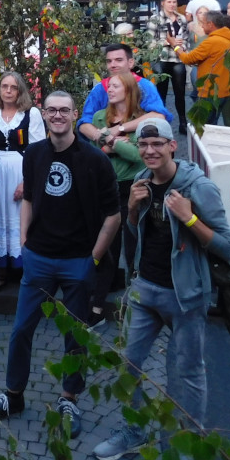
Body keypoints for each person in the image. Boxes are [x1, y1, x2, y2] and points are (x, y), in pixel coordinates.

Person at [91, 118, 230, 460]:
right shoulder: (141, 181)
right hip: (144, 288)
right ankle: (134, 430)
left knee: (187, 374)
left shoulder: (197, 188)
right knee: (127, 363)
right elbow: (135, 233)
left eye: (157, 144)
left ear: (173, 146)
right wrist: (131, 208)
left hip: (185, 294)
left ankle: (189, 445)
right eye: (143, 145)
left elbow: (228, 248)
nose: (150, 150)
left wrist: (189, 219)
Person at [0, 91, 121, 439]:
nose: (58, 116)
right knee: (20, 331)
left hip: (77, 261)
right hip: (39, 258)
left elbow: (114, 216)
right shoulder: (36, 154)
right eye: (52, 110)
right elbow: (27, 198)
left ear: (74, 115)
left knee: (75, 335)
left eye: (64, 111)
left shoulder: (94, 160)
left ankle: (69, 397)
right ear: (43, 114)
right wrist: (25, 242)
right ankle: (13, 395)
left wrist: (94, 259)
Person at [88, 71, 145, 328]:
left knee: (134, 249)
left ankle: (138, 308)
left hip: (132, 191)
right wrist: (113, 144)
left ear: (128, 89)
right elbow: (92, 155)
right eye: (108, 86)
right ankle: (97, 308)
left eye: (115, 86)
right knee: (106, 250)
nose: (109, 89)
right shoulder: (100, 117)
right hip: (105, 191)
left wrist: (111, 140)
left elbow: (139, 156)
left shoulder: (141, 120)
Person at [0, 71, 45, 293]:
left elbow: (38, 150)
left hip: (22, 169)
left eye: (13, 87)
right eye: (4, 86)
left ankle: (27, 270)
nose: (8, 91)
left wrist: (28, 182)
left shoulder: (32, 114)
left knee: (23, 218)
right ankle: (0, 271)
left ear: (20, 91)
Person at [77, 44, 172, 147]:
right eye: (109, 61)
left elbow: (158, 116)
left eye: (119, 60)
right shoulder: (99, 89)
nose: (113, 65)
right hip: (105, 152)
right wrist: (107, 140)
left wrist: (120, 128)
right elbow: (84, 124)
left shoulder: (144, 86)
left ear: (130, 63)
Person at [175, 10, 230, 125]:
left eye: (203, 23)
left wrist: (176, 47)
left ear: (210, 24)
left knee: (202, 128)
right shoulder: (228, 40)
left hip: (209, 92)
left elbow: (188, 59)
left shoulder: (211, 42)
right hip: (223, 91)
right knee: (212, 126)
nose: (201, 26)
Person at [147, 0, 189, 134]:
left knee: (180, 93)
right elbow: (150, 43)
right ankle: (161, 123)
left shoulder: (181, 18)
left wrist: (184, 48)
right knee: (161, 93)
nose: (172, 4)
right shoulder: (155, 19)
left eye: (174, 2)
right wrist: (167, 42)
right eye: (169, 2)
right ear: (163, 3)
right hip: (162, 59)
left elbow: (187, 38)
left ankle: (183, 122)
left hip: (177, 58)